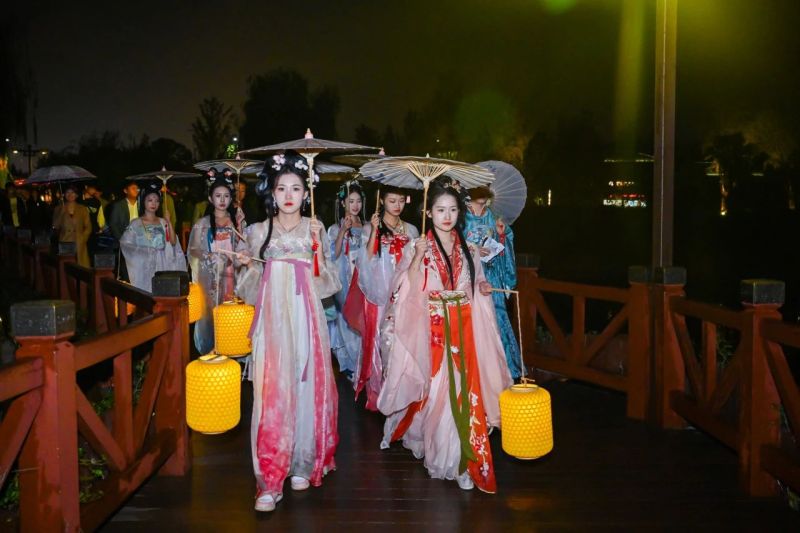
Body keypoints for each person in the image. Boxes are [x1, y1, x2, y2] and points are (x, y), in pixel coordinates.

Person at [378, 182, 512, 493]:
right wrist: (416, 258)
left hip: (463, 325)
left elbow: (476, 279)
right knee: (438, 389)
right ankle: (444, 453)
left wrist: (482, 287)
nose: (447, 215)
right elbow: (404, 288)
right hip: (433, 327)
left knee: (463, 390)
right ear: (429, 212)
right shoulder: (419, 245)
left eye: (452, 209)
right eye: (440, 210)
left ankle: (461, 459)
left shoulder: (467, 246)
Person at [237, 150, 341, 513]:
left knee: (306, 384)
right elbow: (248, 289)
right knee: (272, 390)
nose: (288, 195)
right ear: (272, 191)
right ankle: (269, 477)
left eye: (296, 188)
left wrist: (317, 252)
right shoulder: (258, 231)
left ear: (306, 192)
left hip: (306, 316)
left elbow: (328, 284)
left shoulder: (315, 228)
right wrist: (248, 265)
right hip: (273, 319)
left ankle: (301, 461)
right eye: (281, 188)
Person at [344, 186, 418, 411]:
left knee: (403, 338)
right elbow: (365, 260)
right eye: (392, 200)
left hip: (403, 290)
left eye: (401, 200)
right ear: (382, 201)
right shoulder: (370, 227)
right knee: (379, 340)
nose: (397, 205)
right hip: (379, 291)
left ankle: (402, 391)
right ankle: (379, 391)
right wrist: (375, 231)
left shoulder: (412, 229)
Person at [464, 187, 522, 378]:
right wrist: (473, 249)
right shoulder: (460, 215)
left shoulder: (494, 217)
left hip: (491, 275)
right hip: (469, 277)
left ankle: (503, 371)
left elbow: (505, 245)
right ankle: (475, 373)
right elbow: (452, 243)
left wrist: (502, 235)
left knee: (497, 320)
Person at [188, 175, 249, 354]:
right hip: (210, 275)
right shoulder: (202, 223)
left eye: (226, 196)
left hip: (231, 273)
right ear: (210, 198)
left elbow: (244, 247)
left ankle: (229, 348)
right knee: (210, 312)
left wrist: (241, 226)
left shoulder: (236, 221)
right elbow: (193, 249)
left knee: (229, 309)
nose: (222, 200)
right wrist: (210, 256)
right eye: (218, 196)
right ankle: (210, 350)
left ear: (231, 199)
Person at [326, 180, 365, 377]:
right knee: (346, 319)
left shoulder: (366, 226)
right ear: (343, 203)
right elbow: (333, 254)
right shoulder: (334, 228)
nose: (355, 205)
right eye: (351, 201)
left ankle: (363, 363)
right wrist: (343, 230)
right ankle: (350, 364)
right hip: (345, 278)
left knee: (362, 318)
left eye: (358, 201)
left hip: (362, 277)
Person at [119, 181, 186, 292]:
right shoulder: (136, 224)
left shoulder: (163, 222)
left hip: (163, 265)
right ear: (143, 201)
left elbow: (173, 242)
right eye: (150, 200)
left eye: (156, 201)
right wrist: (146, 251)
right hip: (145, 266)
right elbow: (125, 244)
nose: (153, 203)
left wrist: (169, 222)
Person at [52, 184, 92, 267]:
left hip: (79, 242)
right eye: (68, 192)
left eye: (73, 192)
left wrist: (83, 238)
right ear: (64, 194)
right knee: (67, 267)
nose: (70, 195)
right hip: (65, 241)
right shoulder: (58, 208)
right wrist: (61, 213)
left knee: (81, 267)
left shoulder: (83, 209)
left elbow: (88, 226)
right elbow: (55, 226)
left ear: (76, 195)